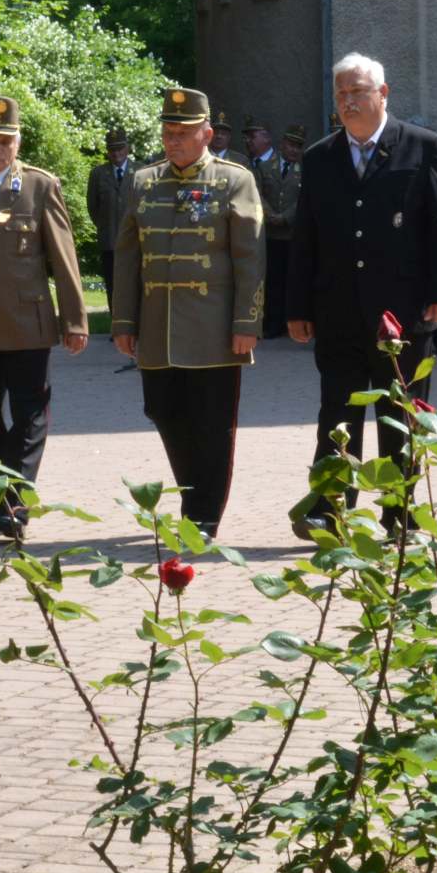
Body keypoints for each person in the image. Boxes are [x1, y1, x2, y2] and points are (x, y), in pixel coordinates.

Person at [287, 53, 437, 538]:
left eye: (358, 91)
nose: (348, 101)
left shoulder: (423, 146)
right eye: (341, 93)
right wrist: (298, 306)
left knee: (400, 415)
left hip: (402, 312)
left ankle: (400, 515)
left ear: (383, 94)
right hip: (338, 310)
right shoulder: (320, 157)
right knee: (336, 412)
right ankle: (330, 509)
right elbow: (306, 238)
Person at [112, 87, 265, 538]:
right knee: (163, 412)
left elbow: (250, 258)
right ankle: (194, 499)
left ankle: (202, 517)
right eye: (168, 132)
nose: (173, 140)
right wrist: (124, 321)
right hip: (157, 330)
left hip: (214, 331)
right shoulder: (143, 182)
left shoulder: (234, 180)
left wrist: (247, 322)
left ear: (207, 134)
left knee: (212, 426)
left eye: (183, 132)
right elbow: (127, 258)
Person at [0, 96, 88, 540]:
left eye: (6, 142)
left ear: (18, 142)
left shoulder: (38, 186)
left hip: (26, 325)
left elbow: (63, 258)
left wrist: (74, 320)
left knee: (30, 417)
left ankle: (13, 503)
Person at [254, 123, 301, 339]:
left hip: (291, 235)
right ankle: (272, 323)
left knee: (292, 281)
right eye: (290, 144)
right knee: (271, 280)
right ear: (282, 144)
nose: (293, 150)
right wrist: (270, 214)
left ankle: (288, 322)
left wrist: (285, 217)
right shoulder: (265, 168)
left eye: (298, 146)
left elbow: (302, 200)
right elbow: (257, 193)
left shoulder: (304, 170)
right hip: (270, 234)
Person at [86, 129, 134, 311]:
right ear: (107, 151)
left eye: (120, 148)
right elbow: (93, 207)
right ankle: (116, 322)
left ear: (127, 148)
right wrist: (106, 227)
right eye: (112, 149)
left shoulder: (141, 171)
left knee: (135, 284)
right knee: (113, 285)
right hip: (110, 241)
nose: (116, 153)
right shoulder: (98, 174)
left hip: (135, 241)